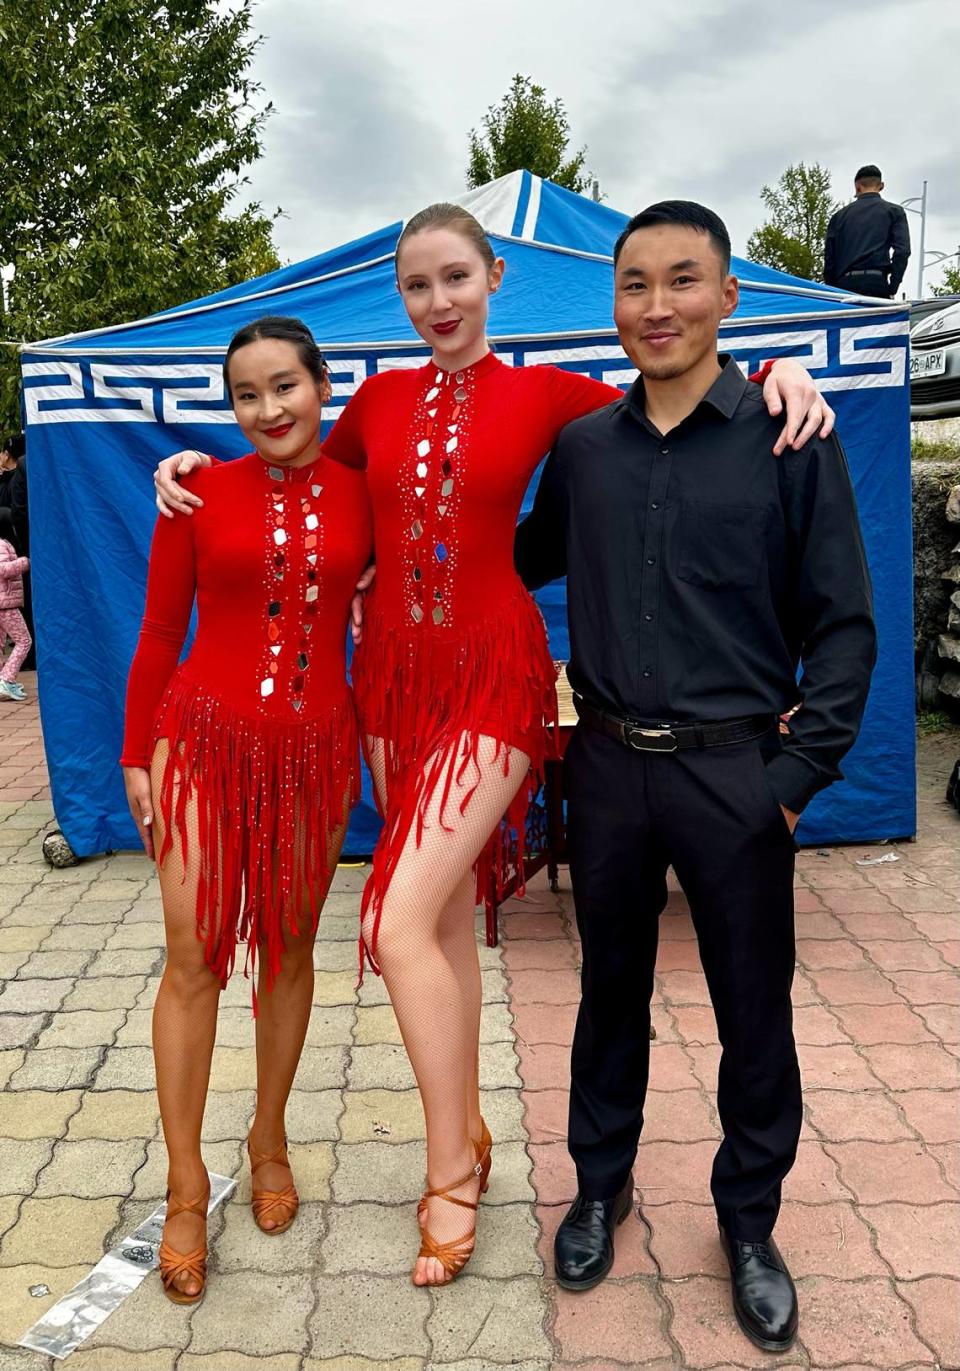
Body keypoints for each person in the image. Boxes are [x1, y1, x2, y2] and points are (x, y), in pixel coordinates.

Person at [154, 203, 834, 1289]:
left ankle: (450, 1176)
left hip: (493, 679)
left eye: (456, 278)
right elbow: (291, 475)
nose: (438, 302)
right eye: (418, 286)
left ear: (495, 275)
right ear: (401, 294)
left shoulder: (549, 396)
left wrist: (779, 375)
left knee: (392, 915)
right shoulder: (371, 402)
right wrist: (188, 467)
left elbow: (671, 383)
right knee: (450, 927)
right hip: (388, 690)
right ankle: (468, 1126)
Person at [515, 201, 876, 1352]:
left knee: (753, 1012)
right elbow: (493, 548)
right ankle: (599, 1187)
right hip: (611, 768)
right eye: (634, 284)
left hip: (737, 777)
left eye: (682, 281)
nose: (656, 305)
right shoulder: (582, 452)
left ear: (730, 298)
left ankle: (750, 1223)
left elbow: (846, 625)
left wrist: (793, 775)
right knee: (607, 996)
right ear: (611, 304)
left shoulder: (788, 438)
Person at [121, 317, 372, 1305]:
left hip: (316, 751)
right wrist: (139, 752)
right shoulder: (195, 491)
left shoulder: (366, 491)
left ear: (322, 385)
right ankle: (186, 1184)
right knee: (191, 954)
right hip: (201, 741)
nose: (268, 410)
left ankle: (269, 1133)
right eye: (246, 395)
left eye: (285, 388)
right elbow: (154, 629)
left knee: (291, 944)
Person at [823, 164, 910, 297]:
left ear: (857, 186)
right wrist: (893, 285)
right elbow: (902, 251)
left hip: (844, 285)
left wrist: (832, 290)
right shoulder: (894, 212)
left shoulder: (839, 217)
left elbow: (830, 259)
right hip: (876, 283)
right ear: (881, 186)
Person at [0, 506, 31, 701]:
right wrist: (24, 562)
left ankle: (3, 681)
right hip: (6, 605)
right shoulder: (2, 544)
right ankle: (6, 679)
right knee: (24, 641)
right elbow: (3, 569)